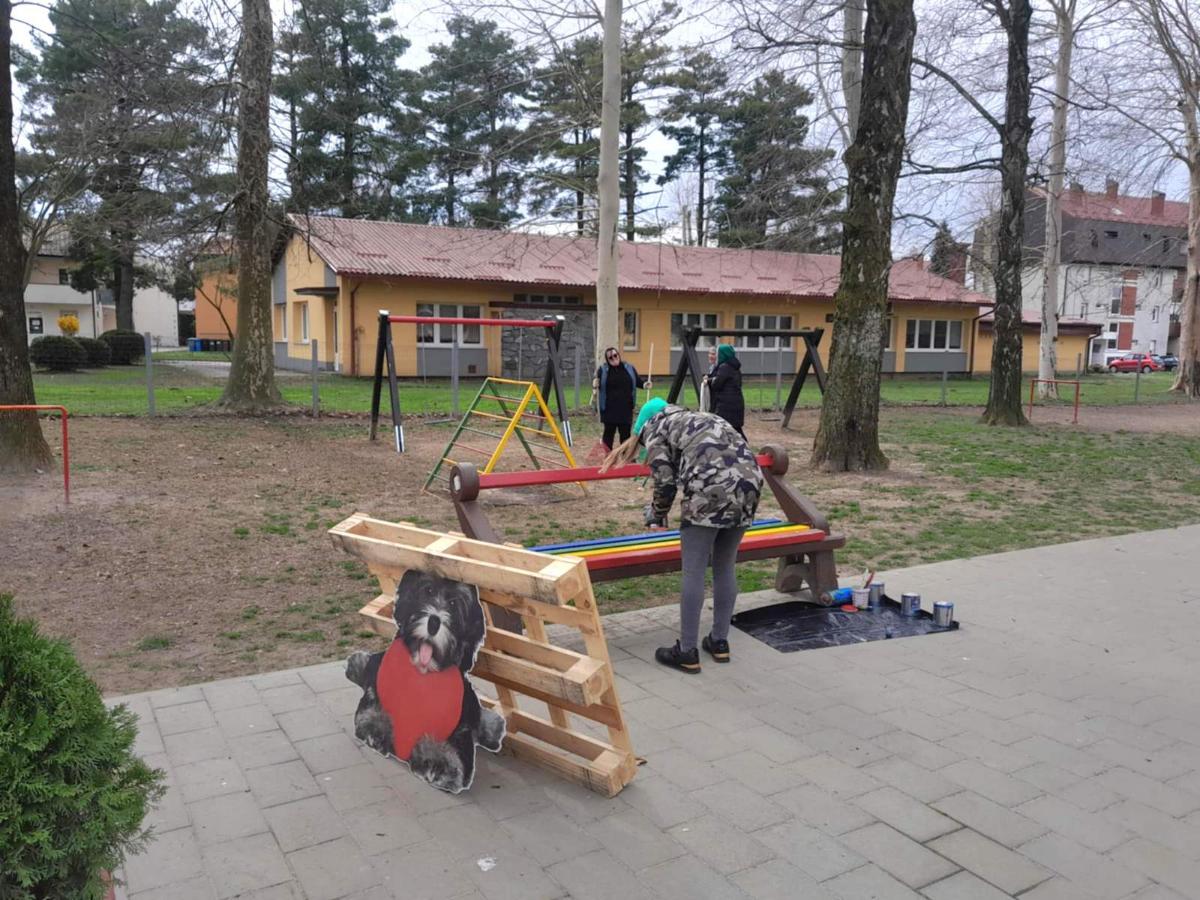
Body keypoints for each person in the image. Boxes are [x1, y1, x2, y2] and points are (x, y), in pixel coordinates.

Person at [606, 398, 763, 674]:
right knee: (725, 566)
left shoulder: (656, 428)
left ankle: (687, 651)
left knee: (694, 571)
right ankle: (719, 641)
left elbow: (665, 482)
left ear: (643, 424)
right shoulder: (700, 418)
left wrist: (656, 514)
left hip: (709, 490)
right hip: (749, 484)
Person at [592, 347, 650, 450]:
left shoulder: (629, 368)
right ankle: (608, 455)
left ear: (618, 355)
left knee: (625, 435)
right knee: (608, 434)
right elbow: (596, 384)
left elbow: (637, 382)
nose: (614, 358)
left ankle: (625, 456)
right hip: (609, 409)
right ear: (607, 360)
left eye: (615, 355)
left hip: (626, 409)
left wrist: (645, 385)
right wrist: (595, 384)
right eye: (610, 357)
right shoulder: (603, 370)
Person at [709, 343, 746, 439]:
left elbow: (717, 384)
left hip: (726, 405)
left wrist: (709, 381)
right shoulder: (735, 367)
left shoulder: (724, 367)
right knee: (735, 428)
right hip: (736, 402)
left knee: (724, 427)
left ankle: (742, 445)